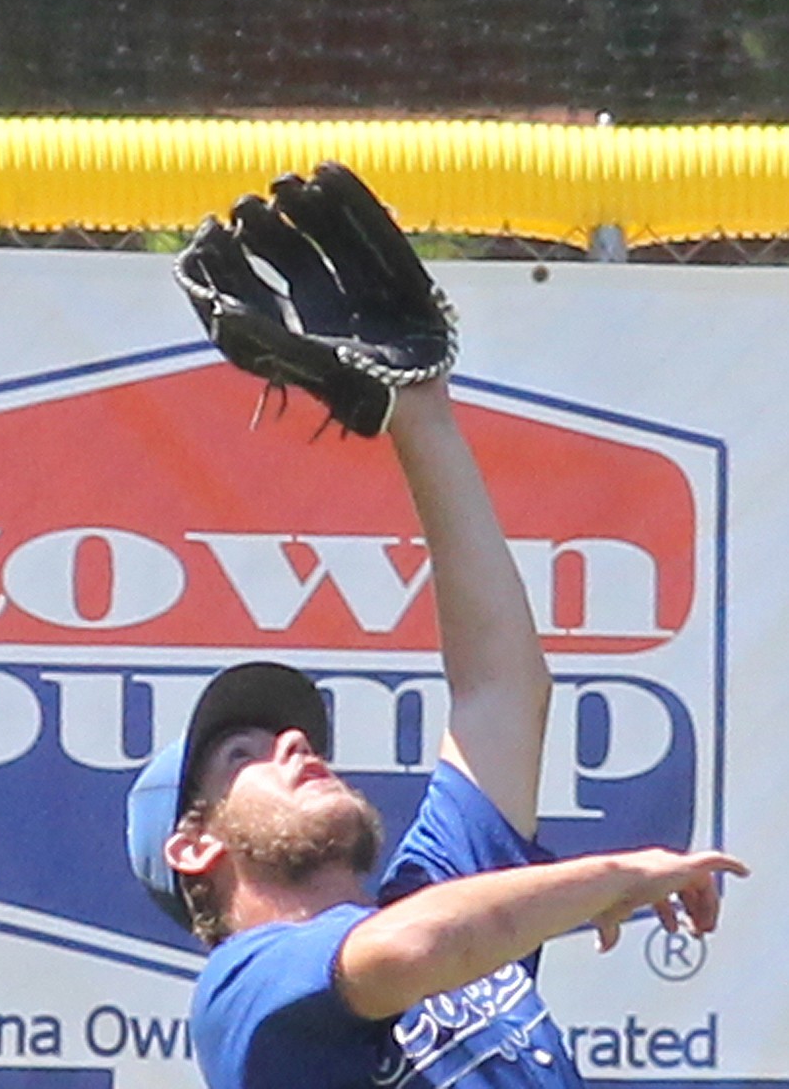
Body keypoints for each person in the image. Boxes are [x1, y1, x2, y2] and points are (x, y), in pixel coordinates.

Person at [127, 168, 747, 1088]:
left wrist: (422, 412)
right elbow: (415, 947)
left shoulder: (431, 895)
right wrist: (614, 875)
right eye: (242, 754)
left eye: (285, 732)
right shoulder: (243, 992)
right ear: (194, 847)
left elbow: (503, 692)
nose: (295, 741)